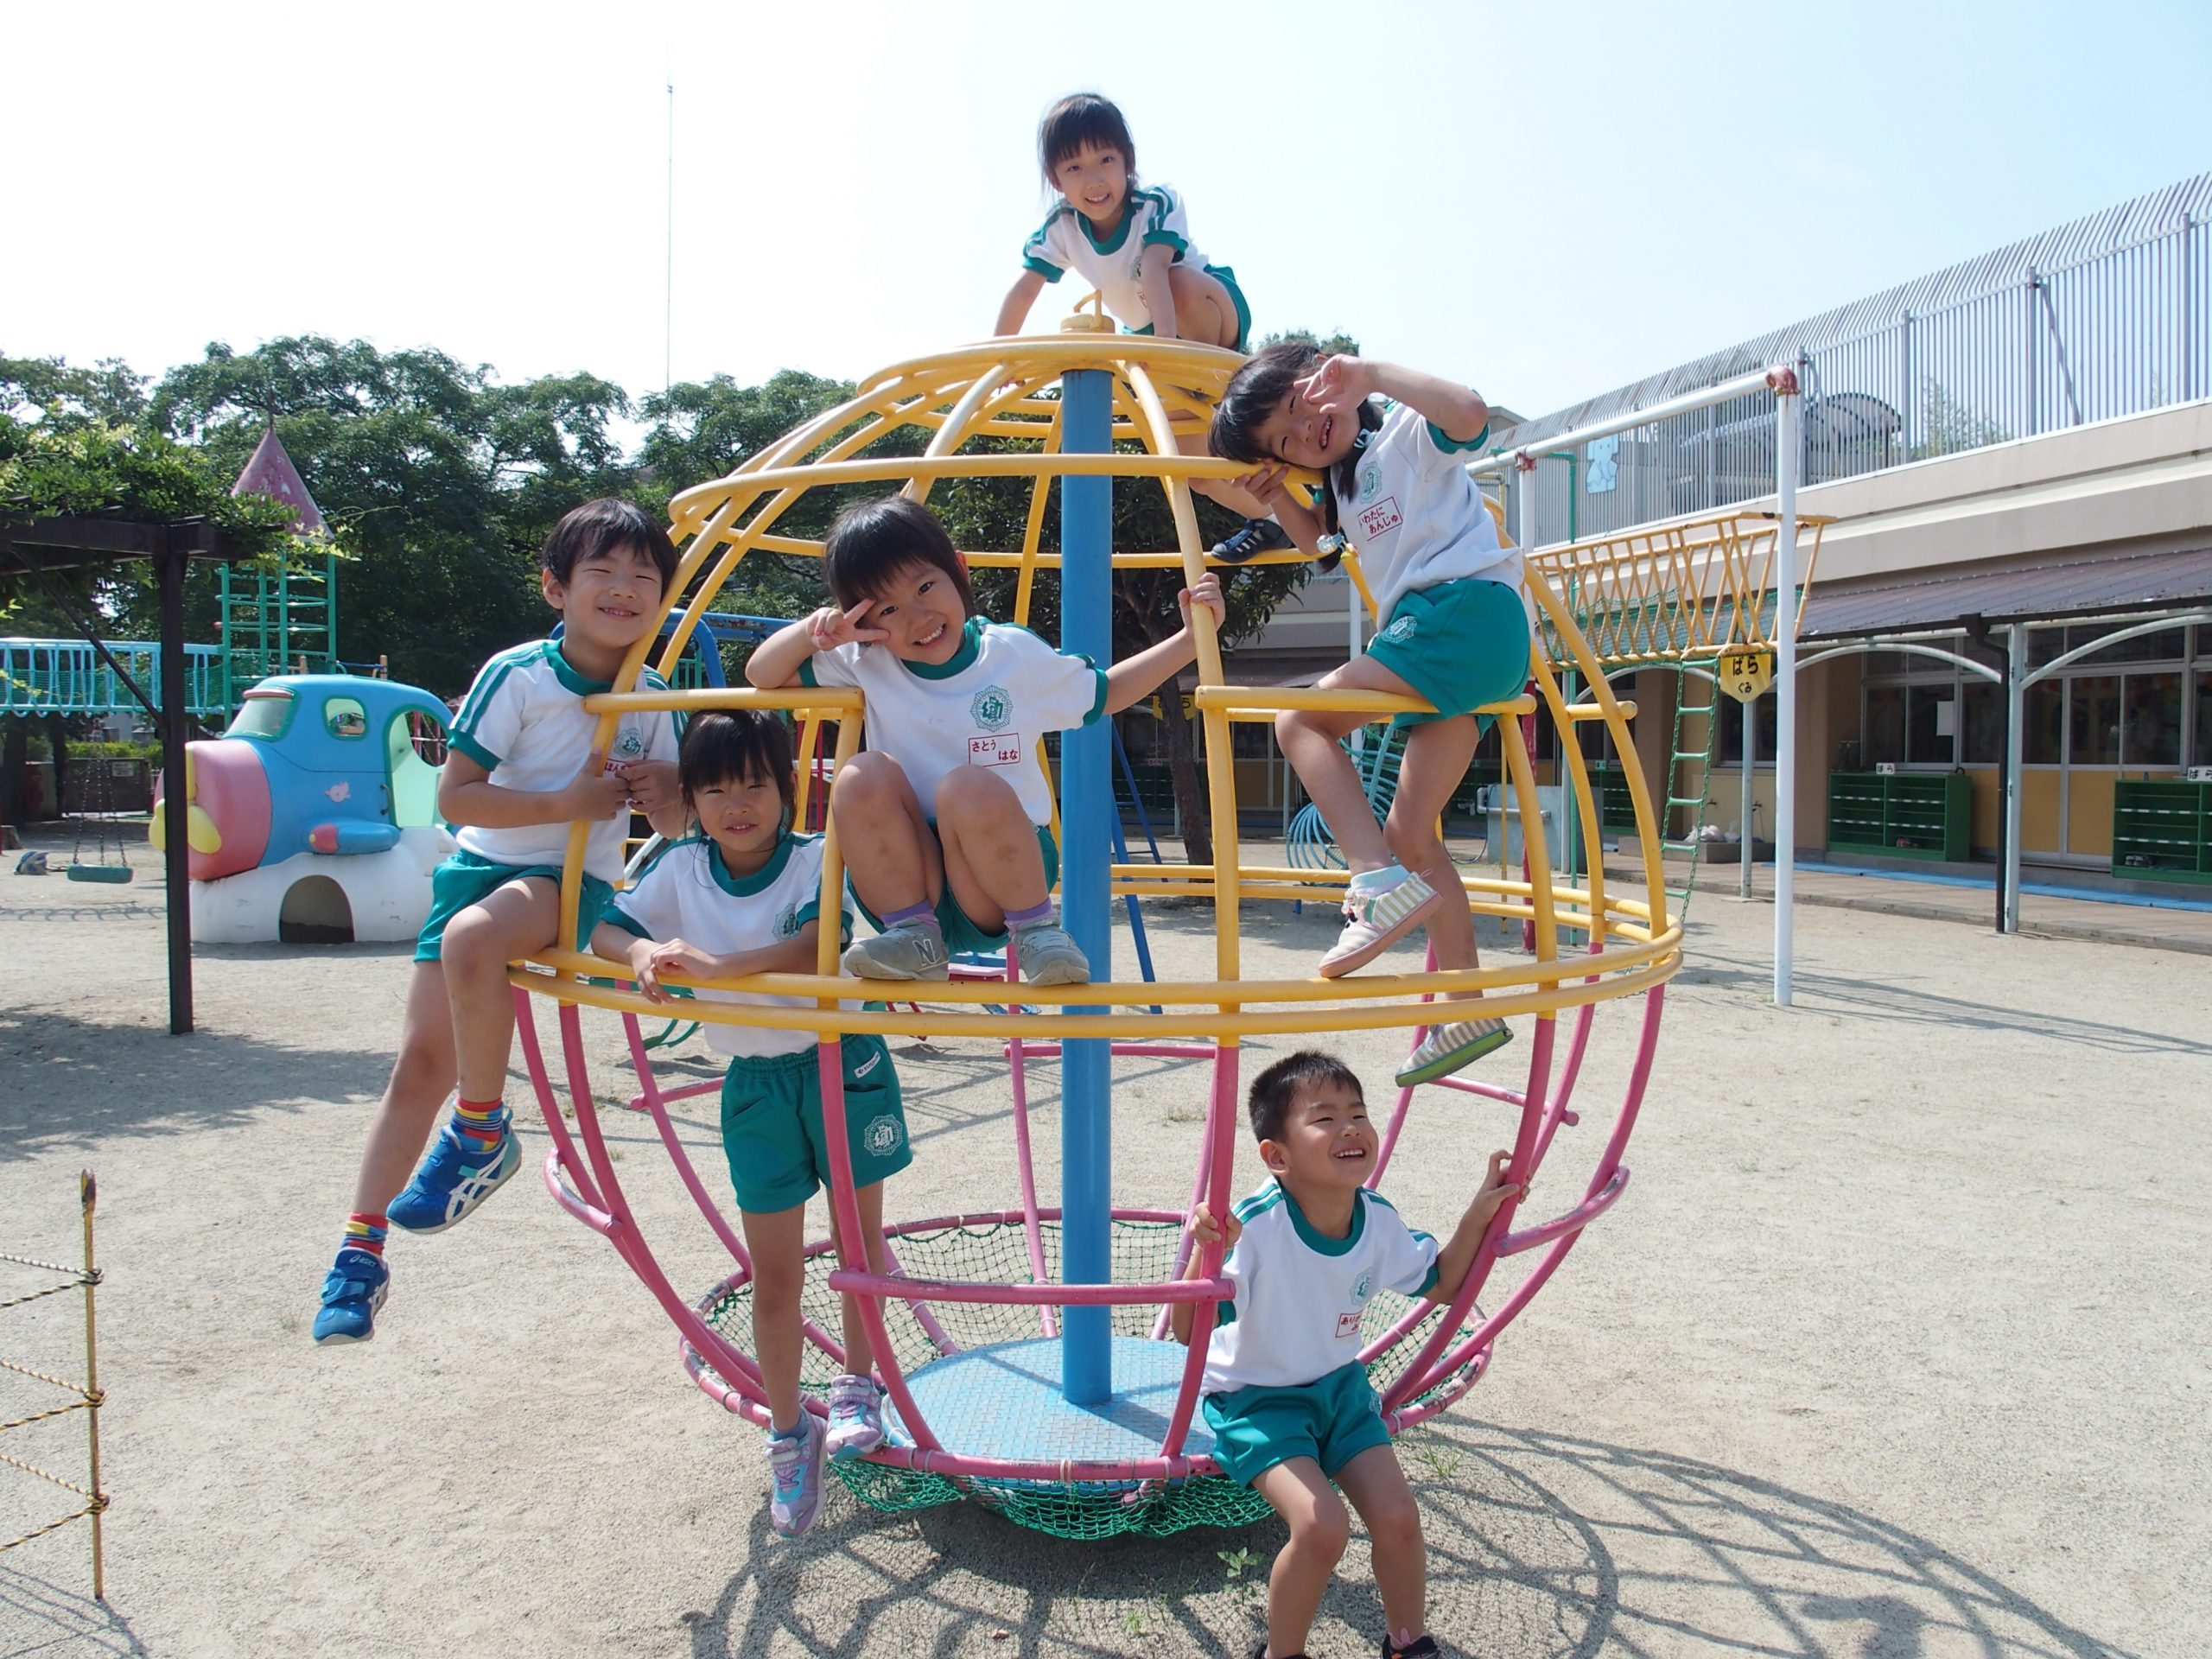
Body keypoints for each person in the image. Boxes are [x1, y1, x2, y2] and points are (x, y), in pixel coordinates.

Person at [313, 499, 686, 1344]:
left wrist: (667, 799)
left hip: (565, 881)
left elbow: (673, 823)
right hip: (480, 867)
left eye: (643, 577)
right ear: (556, 587)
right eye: (603, 572)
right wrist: (566, 799)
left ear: (662, 598)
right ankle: (360, 1252)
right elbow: (457, 794)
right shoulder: (519, 676)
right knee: (419, 1062)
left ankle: (483, 1132)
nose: (624, 589)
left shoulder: (656, 695)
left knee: (473, 941)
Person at [588, 710, 909, 1537]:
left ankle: (857, 1386)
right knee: (776, 1277)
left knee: (859, 1248)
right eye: (717, 788)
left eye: (757, 784)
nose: (740, 803)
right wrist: (636, 955)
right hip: (756, 1086)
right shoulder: (681, 867)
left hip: (841, 1065)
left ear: (786, 791)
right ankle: (786, 1430)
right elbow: (603, 920)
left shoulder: (813, 857)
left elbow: (817, 941)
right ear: (691, 799)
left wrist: (719, 966)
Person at [1211, 346, 1532, 1086]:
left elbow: (1473, 415)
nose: (1305, 434)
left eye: (1301, 409)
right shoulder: (1346, 488)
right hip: (1461, 635)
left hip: (1460, 611)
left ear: (1327, 383)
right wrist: (1279, 500)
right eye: (1284, 440)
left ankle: (1371, 882)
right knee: (1410, 834)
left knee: (1300, 723)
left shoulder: (1404, 440)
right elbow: (1323, 550)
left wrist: (1376, 375)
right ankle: (1466, 1006)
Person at [745, 493, 1224, 986]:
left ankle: (1038, 931)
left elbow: (1108, 692)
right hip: (909, 877)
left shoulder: (1009, 655)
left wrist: (1188, 640)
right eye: (887, 608)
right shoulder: (865, 659)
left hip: (1003, 873)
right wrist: (812, 631)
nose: (918, 617)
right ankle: (914, 938)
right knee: (861, 775)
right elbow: (760, 672)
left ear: (960, 570)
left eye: (926, 586)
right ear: (863, 621)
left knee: (967, 786)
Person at [1173, 1052, 1519, 1659]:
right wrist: (1206, 1250)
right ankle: (1282, 1654)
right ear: (1277, 1156)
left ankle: (1407, 1644)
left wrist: (1477, 1214)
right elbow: (1186, 1330)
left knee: (1398, 1518)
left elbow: (1439, 1282)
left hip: (1339, 1391)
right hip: (1256, 1401)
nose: (1350, 1128)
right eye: (1325, 1118)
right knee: (1321, 1527)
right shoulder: (1254, 1226)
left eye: (1357, 1113)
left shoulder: (1375, 1217)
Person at [992, 91, 1285, 563]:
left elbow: (1154, 268)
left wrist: (1169, 351)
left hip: (1204, 313)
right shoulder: (1061, 227)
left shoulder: (1155, 202)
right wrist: (1002, 358)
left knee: (1177, 281)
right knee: (1198, 472)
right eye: (1075, 168)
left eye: (1105, 159)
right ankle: (1277, 519)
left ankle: (1216, 389)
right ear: (1056, 179)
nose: (1094, 180)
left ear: (1127, 160)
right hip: (1149, 341)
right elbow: (1024, 290)